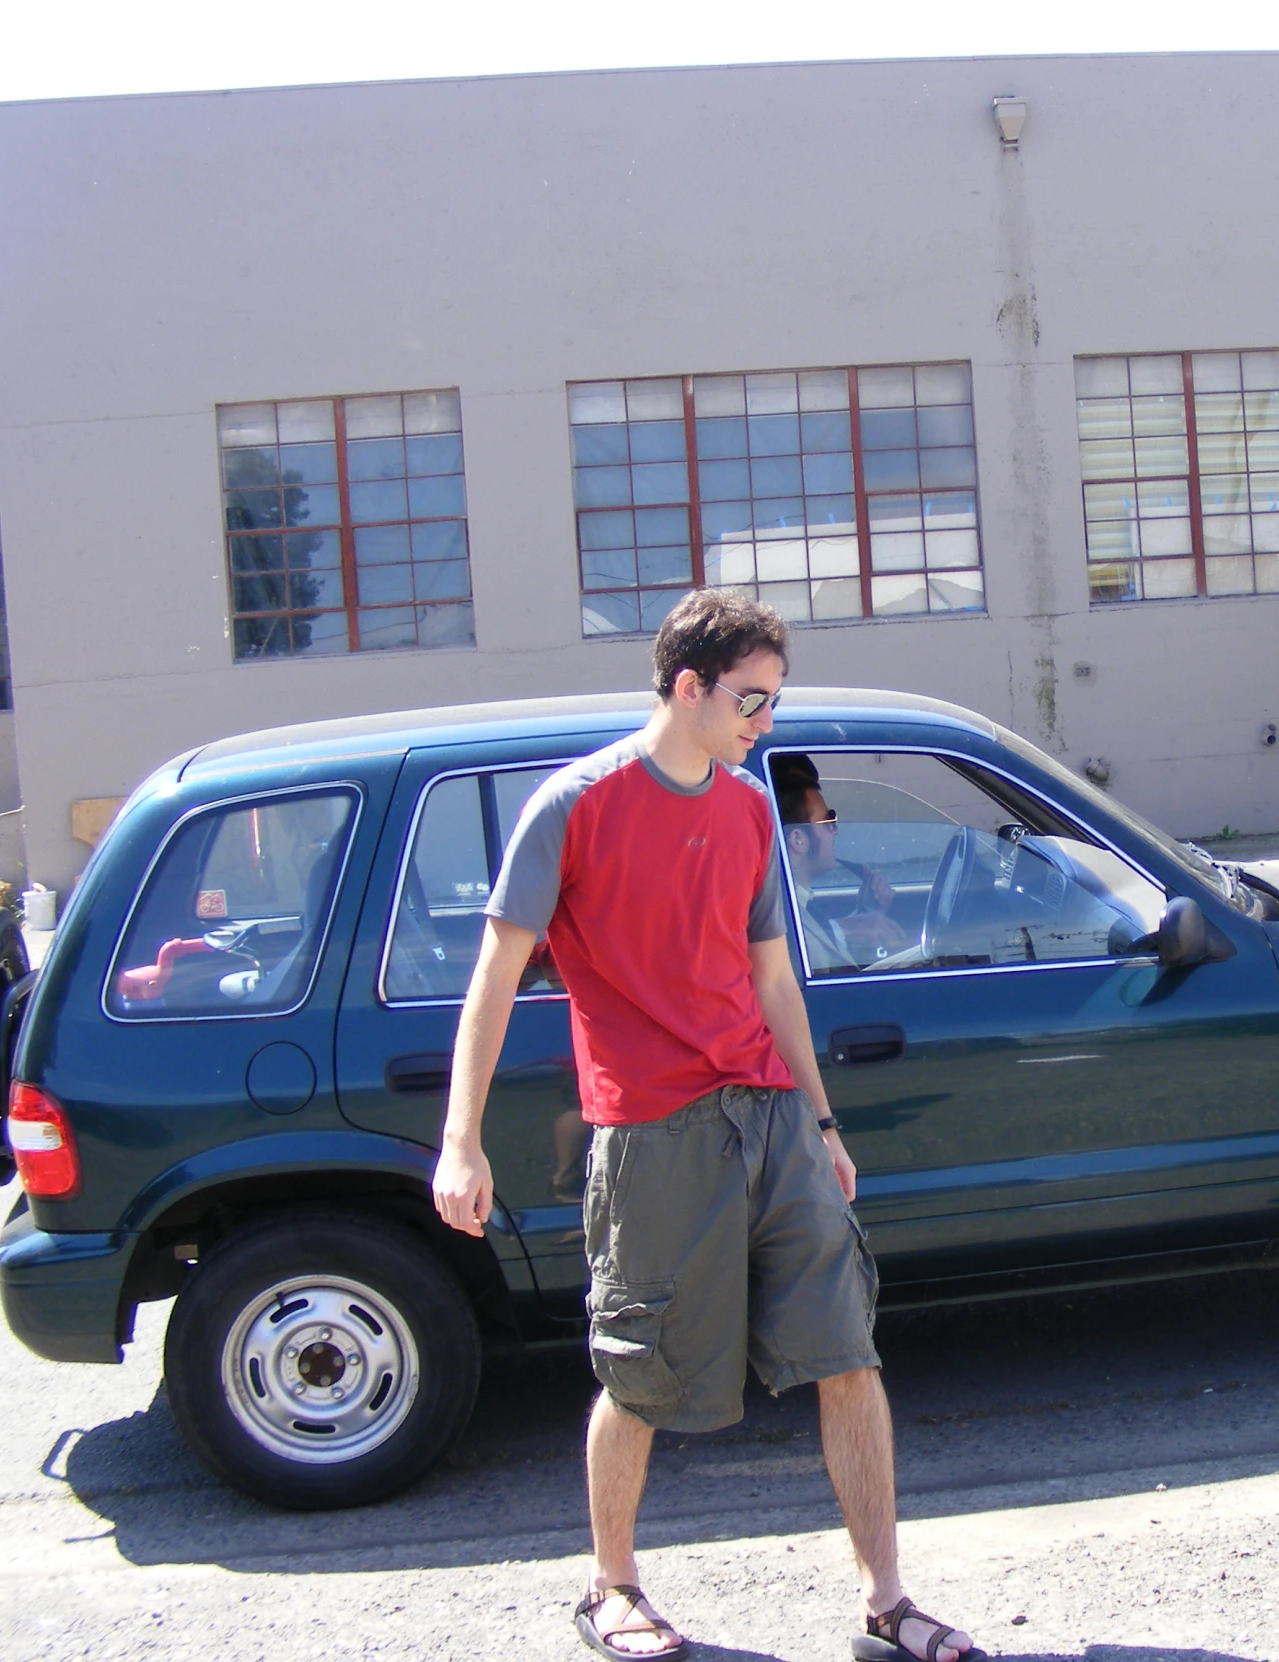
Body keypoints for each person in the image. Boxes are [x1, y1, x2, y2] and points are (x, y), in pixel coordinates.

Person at [431, 590, 980, 1662]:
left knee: (846, 1352)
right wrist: (460, 1141)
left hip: (770, 1113)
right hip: (650, 1130)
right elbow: (492, 979)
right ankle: (611, 1589)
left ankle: (886, 1603)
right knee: (638, 1369)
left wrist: (822, 1121)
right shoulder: (575, 805)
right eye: (749, 700)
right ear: (686, 686)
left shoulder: (744, 809)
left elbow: (773, 976)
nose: (762, 723)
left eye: (772, 702)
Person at [773, 754, 914, 972]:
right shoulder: (776, 911)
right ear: (798, 840)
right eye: (829, 822)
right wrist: (848, 928)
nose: (836, 830)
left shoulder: (795, 899)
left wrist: (865, 912)